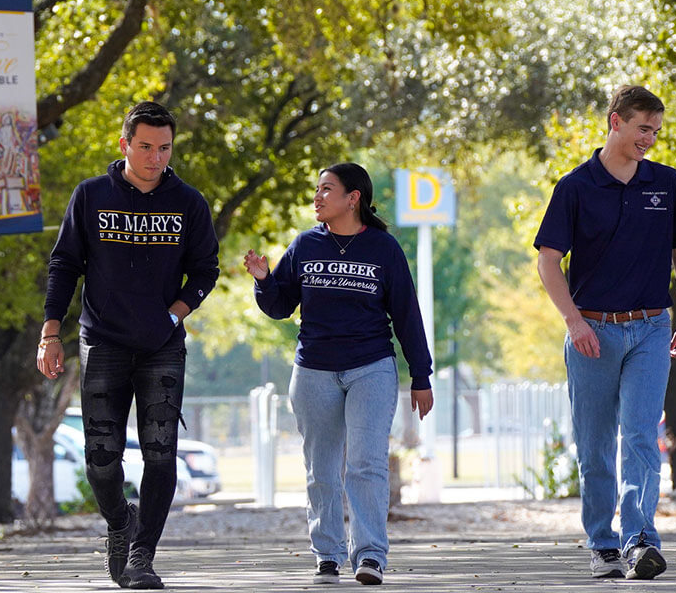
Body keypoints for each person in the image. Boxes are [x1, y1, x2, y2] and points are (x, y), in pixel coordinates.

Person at [37, 101, 218, 590]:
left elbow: (206, 271)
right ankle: (121, 521)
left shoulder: (188, 202)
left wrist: (173, 314)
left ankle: (142, 556)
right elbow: (64, 266)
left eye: (164, 148)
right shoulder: (91, 195)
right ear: (125, 145)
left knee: (161, 454)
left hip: (162, 345)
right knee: (101, 458)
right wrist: (50, 332)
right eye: (145, 147)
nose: (155, 157)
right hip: (103, 342)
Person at [533, 85, 676, 580]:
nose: (649, 138)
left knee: (643, 438)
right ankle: (603, 542)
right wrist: (573, 320)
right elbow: (547, 262)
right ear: (615, 122)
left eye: (655, 130)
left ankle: (641, 539)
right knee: (596, 445)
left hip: (651, 327)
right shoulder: (575, 186)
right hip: (592, 331)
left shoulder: (666, 184)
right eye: (642, 128)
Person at [245, 163, 435, 586]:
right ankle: (327, 554)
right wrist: (263, 280)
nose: (317, 197)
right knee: (322, 469)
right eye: (316, 190)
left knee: (366, 464)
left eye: (326, 190)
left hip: (371, 367)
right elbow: (280, 306)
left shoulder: (383, 248)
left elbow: (407, 315)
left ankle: (369, 556)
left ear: (353, 198)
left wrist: (421, 376)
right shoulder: (305, 245)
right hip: (313, 370)